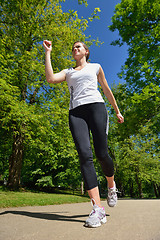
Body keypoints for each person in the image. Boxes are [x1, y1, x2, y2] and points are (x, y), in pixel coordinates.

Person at [43, 40, 124, 228]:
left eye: (78, 46)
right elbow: (50, 79)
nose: (75, 49)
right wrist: (48, 53)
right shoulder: (68, 72)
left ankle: (111, 187)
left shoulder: (96, 67)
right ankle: (98, 208)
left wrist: (117, 110)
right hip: (76, 113)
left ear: (86, 52)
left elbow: (106, 88)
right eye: (73, 47)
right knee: (84, 156)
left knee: (102, 154)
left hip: (96, 107)